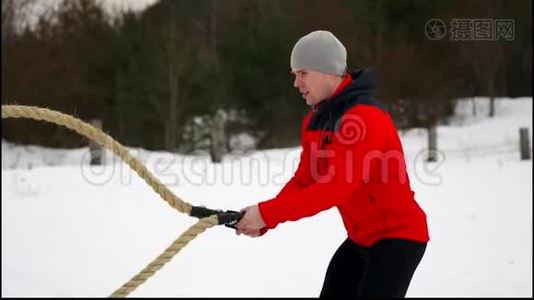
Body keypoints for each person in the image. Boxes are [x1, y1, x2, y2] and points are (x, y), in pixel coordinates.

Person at [235, 30, 430, 298]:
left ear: (328, 71)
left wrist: (268, 213)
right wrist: (267, 220)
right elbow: (304, 181)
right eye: (294, 74)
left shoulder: (364, 118)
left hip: (398, 239)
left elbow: (335, 188)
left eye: (302, 73)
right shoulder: (316, 121)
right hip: (361, 239)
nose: (296, 82)